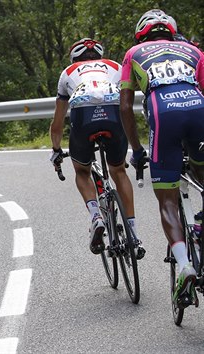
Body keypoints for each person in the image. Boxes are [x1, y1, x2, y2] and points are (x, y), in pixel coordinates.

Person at [120, 9, 204, 306]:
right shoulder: (194, 51)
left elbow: (126, 107)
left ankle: (184, 264)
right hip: (199, 110)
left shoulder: (133, 54)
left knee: (167, 199)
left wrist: (138, 150)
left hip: (163, 114)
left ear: (142, 34)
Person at [50, 37, 145, 258]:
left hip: (83, 112)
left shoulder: (68, 71)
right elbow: (127, 103)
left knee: (82, 171)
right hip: (113, 109)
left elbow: (57, 123)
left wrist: (56, 150)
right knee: (118, 170)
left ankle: (95, 216)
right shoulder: (115, 66)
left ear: (75, 57)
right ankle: (133, 235)